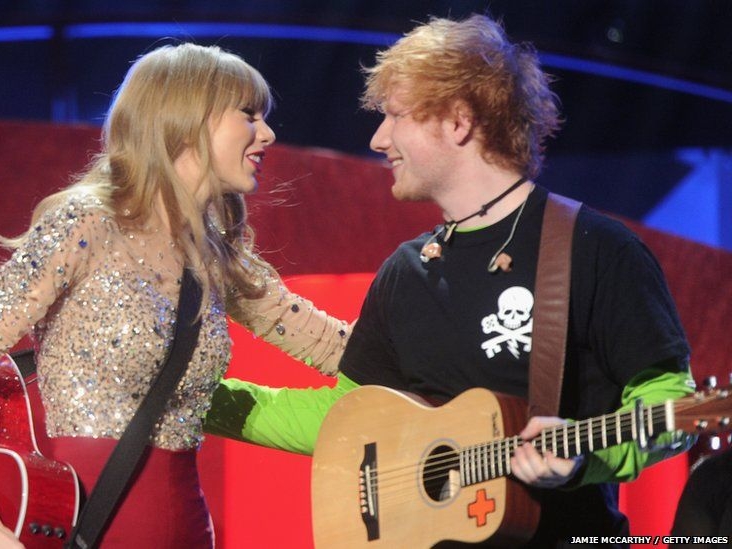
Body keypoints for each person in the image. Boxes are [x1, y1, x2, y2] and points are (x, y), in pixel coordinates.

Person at [204, 13, 696, 548]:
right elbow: (344, 418)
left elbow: (673, 407)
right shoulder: (406, 270)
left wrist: (585, 461)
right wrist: (194, 398)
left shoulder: (597, 249)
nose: (378, 138)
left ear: (458, 121)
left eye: (394, 116)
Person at [0, 43, 349, 547]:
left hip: (186, 527)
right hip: (80, 524)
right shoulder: (85, 224)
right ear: (186, 118)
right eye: (249, 115)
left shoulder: (218, 258)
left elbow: (338, 347)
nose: (267, 134)